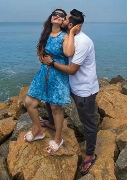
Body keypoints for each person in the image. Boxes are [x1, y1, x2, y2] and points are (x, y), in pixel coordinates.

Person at [41, 9, 99, 175]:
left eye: (65, 19)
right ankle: (52, 123)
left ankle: (90, 154)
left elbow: (73, 69)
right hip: (69, 84)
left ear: (72, 25)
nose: (62, 19)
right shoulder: (69, 37)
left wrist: (51, 63)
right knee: (50, 100)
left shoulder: (83, 42)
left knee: (87, 122)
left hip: (83, 89)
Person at [24, 9, 81, 154]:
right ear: (51, 18)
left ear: (63, 21)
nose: (58, 16)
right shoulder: (46, 34)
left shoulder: (64, 36)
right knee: (29, 103)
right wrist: (41, 55)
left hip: (58, 75)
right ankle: (38, 129)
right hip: (43, 73)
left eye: (62, 15)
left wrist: (72, 33)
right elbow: (41, 48)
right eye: (55, 14)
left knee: (56, 109)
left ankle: (57, 139)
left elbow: (68, 53)